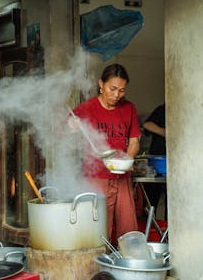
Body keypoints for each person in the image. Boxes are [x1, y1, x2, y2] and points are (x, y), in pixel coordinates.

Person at [71, 63, 141, 243]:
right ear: (101, 84)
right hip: (96, 177)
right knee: (100, 228)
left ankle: (127, 266)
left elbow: (134, 141)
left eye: (122, 90)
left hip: (122, 176)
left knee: (128, 227)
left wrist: (127, 159)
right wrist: (72, 126)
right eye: (113, 89)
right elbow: (64, 133)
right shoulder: (87, 108)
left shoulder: (129, 108)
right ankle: (100, 269)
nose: (117, 95)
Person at [143, 103, 167, 219]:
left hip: (177, 163)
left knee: (172, 200)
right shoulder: (162, 109)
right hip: (158, 162)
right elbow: (147, 124)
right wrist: (164, 132)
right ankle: (150, 229)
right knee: (152, 199)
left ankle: (169, 233)